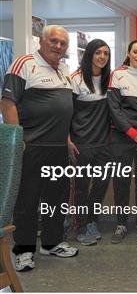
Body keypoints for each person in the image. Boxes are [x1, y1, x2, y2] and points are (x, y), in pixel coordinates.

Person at [1, 25, 78, 272]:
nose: (58, 46)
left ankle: (52, 242)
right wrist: (18, 139)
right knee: (28, 200)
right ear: (41, 42)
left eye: (63, 43)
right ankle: (23, 250)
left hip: (58, 148)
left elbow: (63, 110)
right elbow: (7, 103)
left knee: (56, 199)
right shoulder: (24, 64)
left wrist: (66, 139)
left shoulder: (64, 70)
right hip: (32, 147)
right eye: (53, 41)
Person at [107, 39, 137, 243]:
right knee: (121, 182)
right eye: (136, 52)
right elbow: (114, 110)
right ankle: (121, 223)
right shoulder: (117, 75)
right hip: (122, 137)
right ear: (129, 53)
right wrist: (133, 133)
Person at [69, 39, 112, 246]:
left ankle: (92, 221)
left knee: (100, 185)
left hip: (103, 144)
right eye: (98, 53)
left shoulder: (108, 80)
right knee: (81, 188)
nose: (102, 57)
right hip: (81, 144)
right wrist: (67, 139)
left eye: (105, 53)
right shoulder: (76, 79)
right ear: (89, 55)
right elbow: (66, 113)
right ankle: (81, 226)